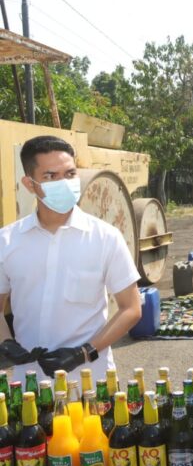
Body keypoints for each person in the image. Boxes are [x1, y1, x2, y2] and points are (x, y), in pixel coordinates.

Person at [0, 136, 142, 379]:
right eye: (50, 176)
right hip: (30, 384)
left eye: (70, 174)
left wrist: (84, 352)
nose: (63, 183)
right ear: (29, 184)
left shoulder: (105, 237)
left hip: (92, 380)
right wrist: (6, 343)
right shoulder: (7, 241)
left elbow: (131, 308)